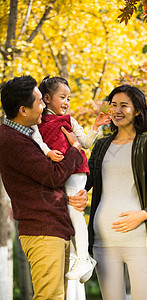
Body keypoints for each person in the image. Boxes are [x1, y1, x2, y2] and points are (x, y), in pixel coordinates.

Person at [0, 75, 88, 300]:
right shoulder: (12, 141)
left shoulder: (28, 135)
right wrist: (75, 149)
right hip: (42, 231)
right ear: (23, 110)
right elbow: (52, 175)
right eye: (40, 102)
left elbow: (49, 182)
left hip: (54, 227)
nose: (44, 107)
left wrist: (78, 194)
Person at [85, 84, 147, 300]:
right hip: (103, 241)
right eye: (113, 105)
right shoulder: (101, 146)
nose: (117, 110)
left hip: (140, 241)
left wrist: (142, 214)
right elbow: (85, 182)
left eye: (124, 105)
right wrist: (78, 193)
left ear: (137, 110)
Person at [32, 76, 111, 282]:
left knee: (75, 212)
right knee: (64, 213)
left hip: (76, 169)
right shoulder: (37, 122)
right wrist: (48, 152)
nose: (66, 102)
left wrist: (96, 126)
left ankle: (83, 257)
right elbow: (38, 142)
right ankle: (80, 258)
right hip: (57, 170)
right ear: (47, 98)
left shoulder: (70, 120)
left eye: (69, 98)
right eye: (62, 97)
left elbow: (84, 143)